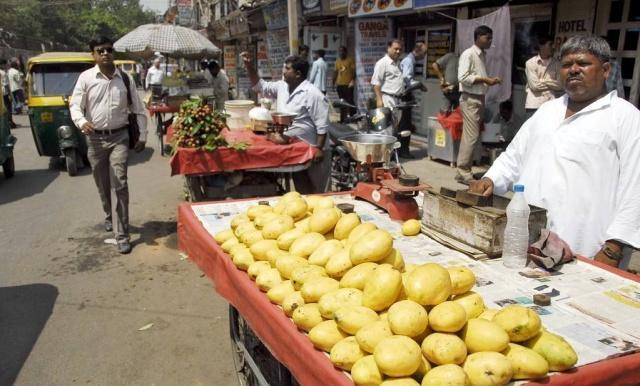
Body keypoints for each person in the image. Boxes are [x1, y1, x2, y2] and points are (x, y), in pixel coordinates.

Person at [470, 35, 640, 269]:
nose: (573, 70)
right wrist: (490, 179)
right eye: (567, 65)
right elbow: (514, 156)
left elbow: (636, 187)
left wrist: (613, 248)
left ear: (605, 70)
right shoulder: (547, 111)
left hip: (589, 247)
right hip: (530, 239)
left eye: (583, 63)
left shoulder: (625, 117)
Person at [70, 36, 148, 254]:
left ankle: (122, 234)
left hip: (120, 137)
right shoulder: (85, 78)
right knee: (103, 183)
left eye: (108, 50)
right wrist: (82, 121)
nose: (105, 53)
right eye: (100, 50)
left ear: (113, 53)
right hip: (95, 139)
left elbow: (139, 109)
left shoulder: (125, 78)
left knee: (120, 182)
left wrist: (142, 135)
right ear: (93, 55)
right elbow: (75, 105)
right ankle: (108, 214)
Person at [241, 52, 330, 194]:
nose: (284, 71)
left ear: (298, 74)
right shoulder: (281, 87)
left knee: (319, 192)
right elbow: (259, 86)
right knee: (301, 187)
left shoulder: (312, 93)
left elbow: (323, 124)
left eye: (288, 69)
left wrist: (319, 148)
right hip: (294, 149)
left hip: (312, 149)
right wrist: (249, 65)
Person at [456, 25, 502, 184]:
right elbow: (463, 77)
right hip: (470, 98)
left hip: (478, 97)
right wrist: (485, 80)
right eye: (487, 38)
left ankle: (462, 169)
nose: (490, 41)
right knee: (472, 135)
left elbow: (475, 76)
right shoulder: (469, 54)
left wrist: (488, 80)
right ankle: (463, 171)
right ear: (478, 37)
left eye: (491, 38)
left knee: (470, 135)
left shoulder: (482, 55)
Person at [397, 41, 427, 158]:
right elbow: (407, 79)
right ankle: (403, 150)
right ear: (417, 50)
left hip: (405, 94)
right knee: (405, 124)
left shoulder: (408, 60)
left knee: (404, 123)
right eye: (424, 53)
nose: (424, 56)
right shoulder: (409, 61)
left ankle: (401, 149)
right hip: (404, 95)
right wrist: (419, 85)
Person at [524, 34, 563, 118]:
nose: (553, 47)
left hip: (551, 105)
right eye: (550, 44)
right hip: (534, 105)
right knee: (532, 130)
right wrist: (552, 84)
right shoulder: (530, 63)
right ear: (541, 46)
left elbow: (561, 85)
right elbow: (535, 86)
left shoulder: (557, 64)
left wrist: (542, 81)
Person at [371, 39, 404, 135]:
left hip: (397, 101)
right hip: (387, 99)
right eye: (395, 49)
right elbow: (376, 83)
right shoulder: (382, 63)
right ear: (388, 48)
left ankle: (392, 150)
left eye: (400, 49)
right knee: (386, 130)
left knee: (394, 130)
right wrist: (379, 100)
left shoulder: (398, 63)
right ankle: (385, 150)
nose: (398, 51)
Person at [333, 46, 356, 122]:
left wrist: (352, 81)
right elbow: (335, 72)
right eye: (339, 51)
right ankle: (342, 119)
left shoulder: (350, 60)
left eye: (342, 51)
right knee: (342, 102)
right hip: (340, 85)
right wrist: (333, 82)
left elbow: (353, 72)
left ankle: (353, 118)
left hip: (348, 85)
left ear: (346, 52)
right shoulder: (337, 61)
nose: (341, 53)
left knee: (350, 101)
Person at [0, 60, 17, 128]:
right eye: (5, 64)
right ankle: (10, 122)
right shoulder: (3, 73)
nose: (6, 65)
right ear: (2, 65)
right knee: (8, 108)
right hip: (4, 93)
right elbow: (6, 85)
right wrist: (10, 94)